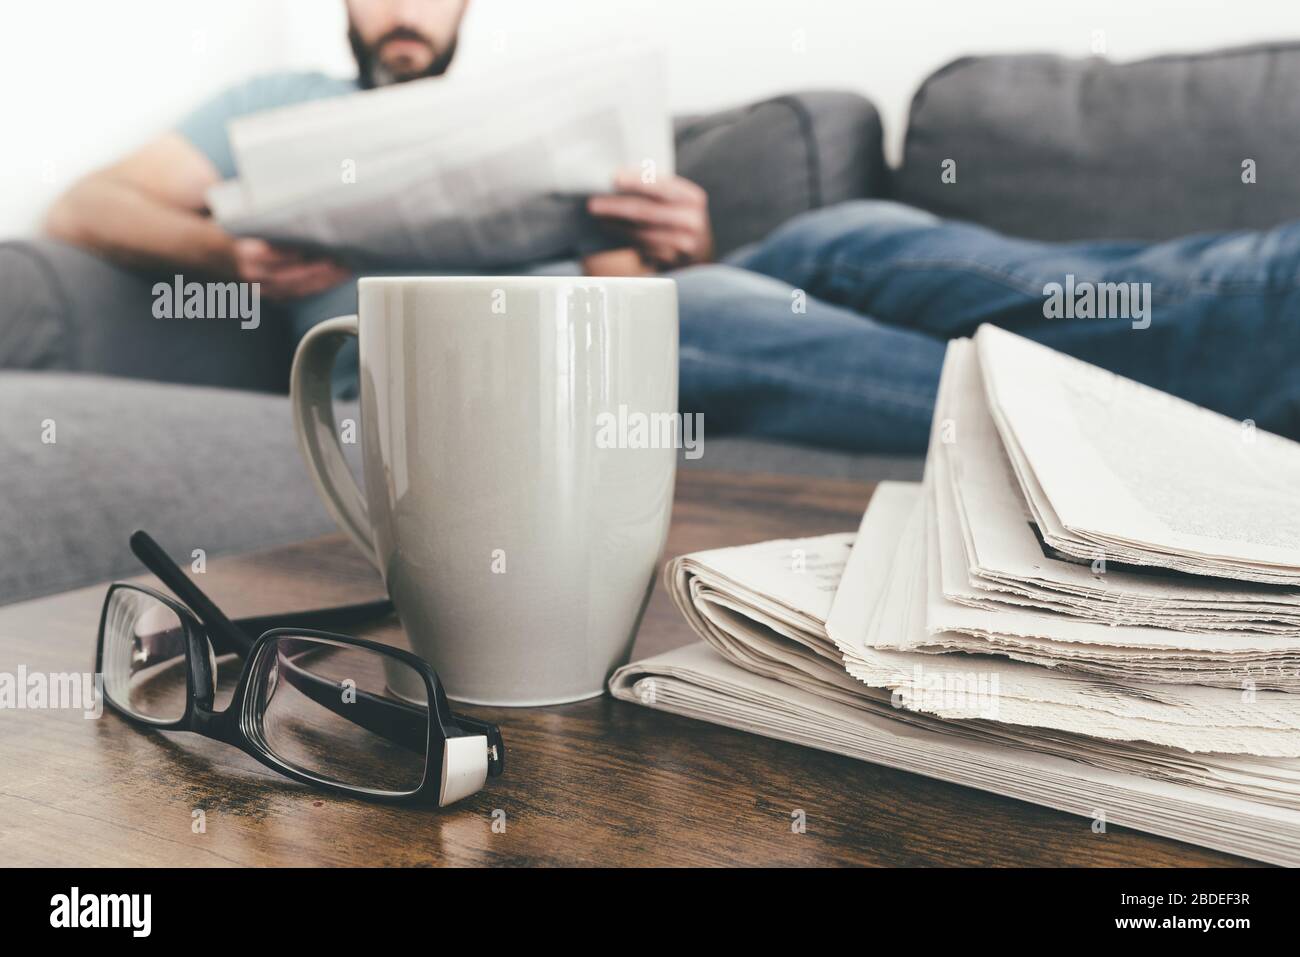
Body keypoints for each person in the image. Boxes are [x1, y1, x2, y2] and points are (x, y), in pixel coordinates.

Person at [43, 0, 1300, 452]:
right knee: (677, 318)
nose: (405, 8)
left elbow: (625, 285)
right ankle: (1158, 446)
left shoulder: (506, 110)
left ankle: (1252, 303)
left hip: (612, 309)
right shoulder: (282, 105)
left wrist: (666, 236)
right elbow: (82, 203)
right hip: (440, 355)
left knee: (847, 233)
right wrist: (232, 252)